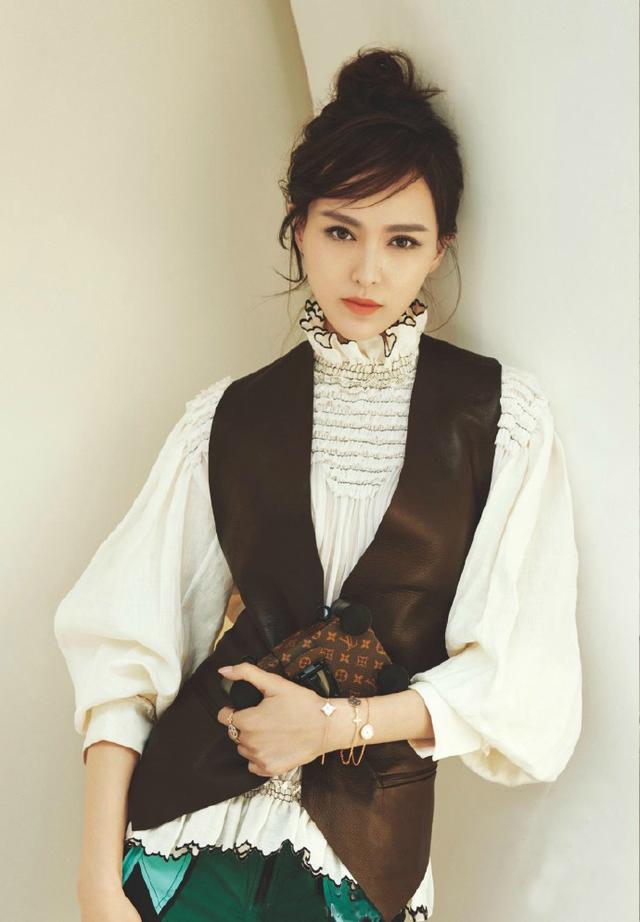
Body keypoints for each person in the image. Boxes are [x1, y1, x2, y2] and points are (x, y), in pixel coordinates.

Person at [54, 48, 582, 922]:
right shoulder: (224, 418)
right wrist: (96, 881)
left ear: (439, 250)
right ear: (298, 228)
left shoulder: (502, 419)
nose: (368, 271)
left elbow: (522, 682)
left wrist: (337, 726)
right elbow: (124, 653)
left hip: (363, 861)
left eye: (402, 240)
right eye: (341, 231)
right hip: (178, 843)